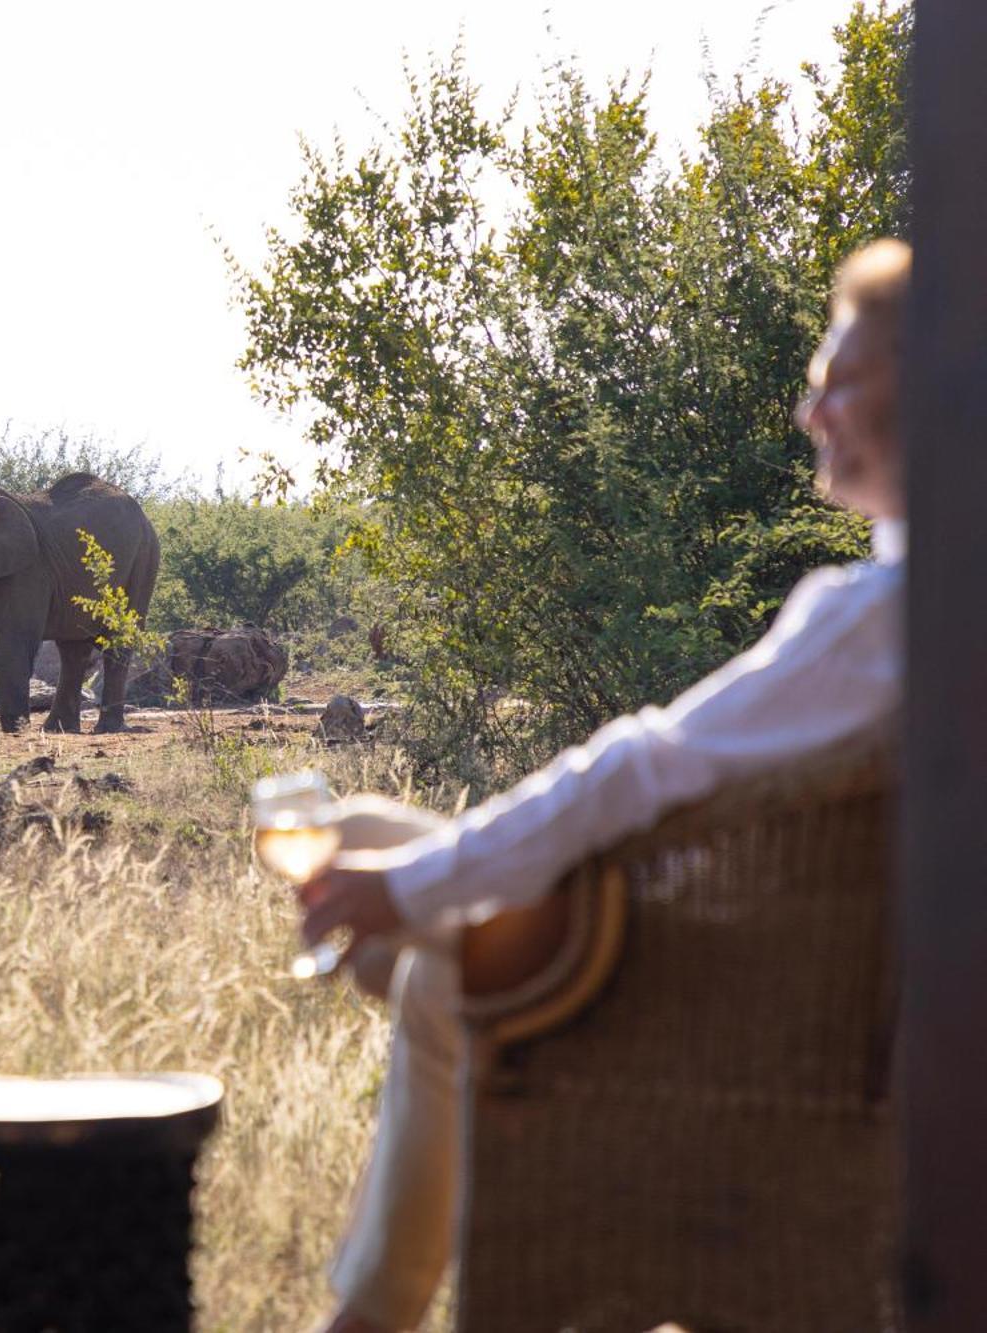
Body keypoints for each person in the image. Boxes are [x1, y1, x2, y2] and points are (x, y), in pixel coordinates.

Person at [297, 238, 911, 1333]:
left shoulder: (875, 615)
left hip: (741, 1007)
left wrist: (406, 895)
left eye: (833, 382)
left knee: (439, 955)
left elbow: (642, 764)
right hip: (829, 979)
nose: (807, 412)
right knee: (360, 827)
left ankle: (370, 1315)